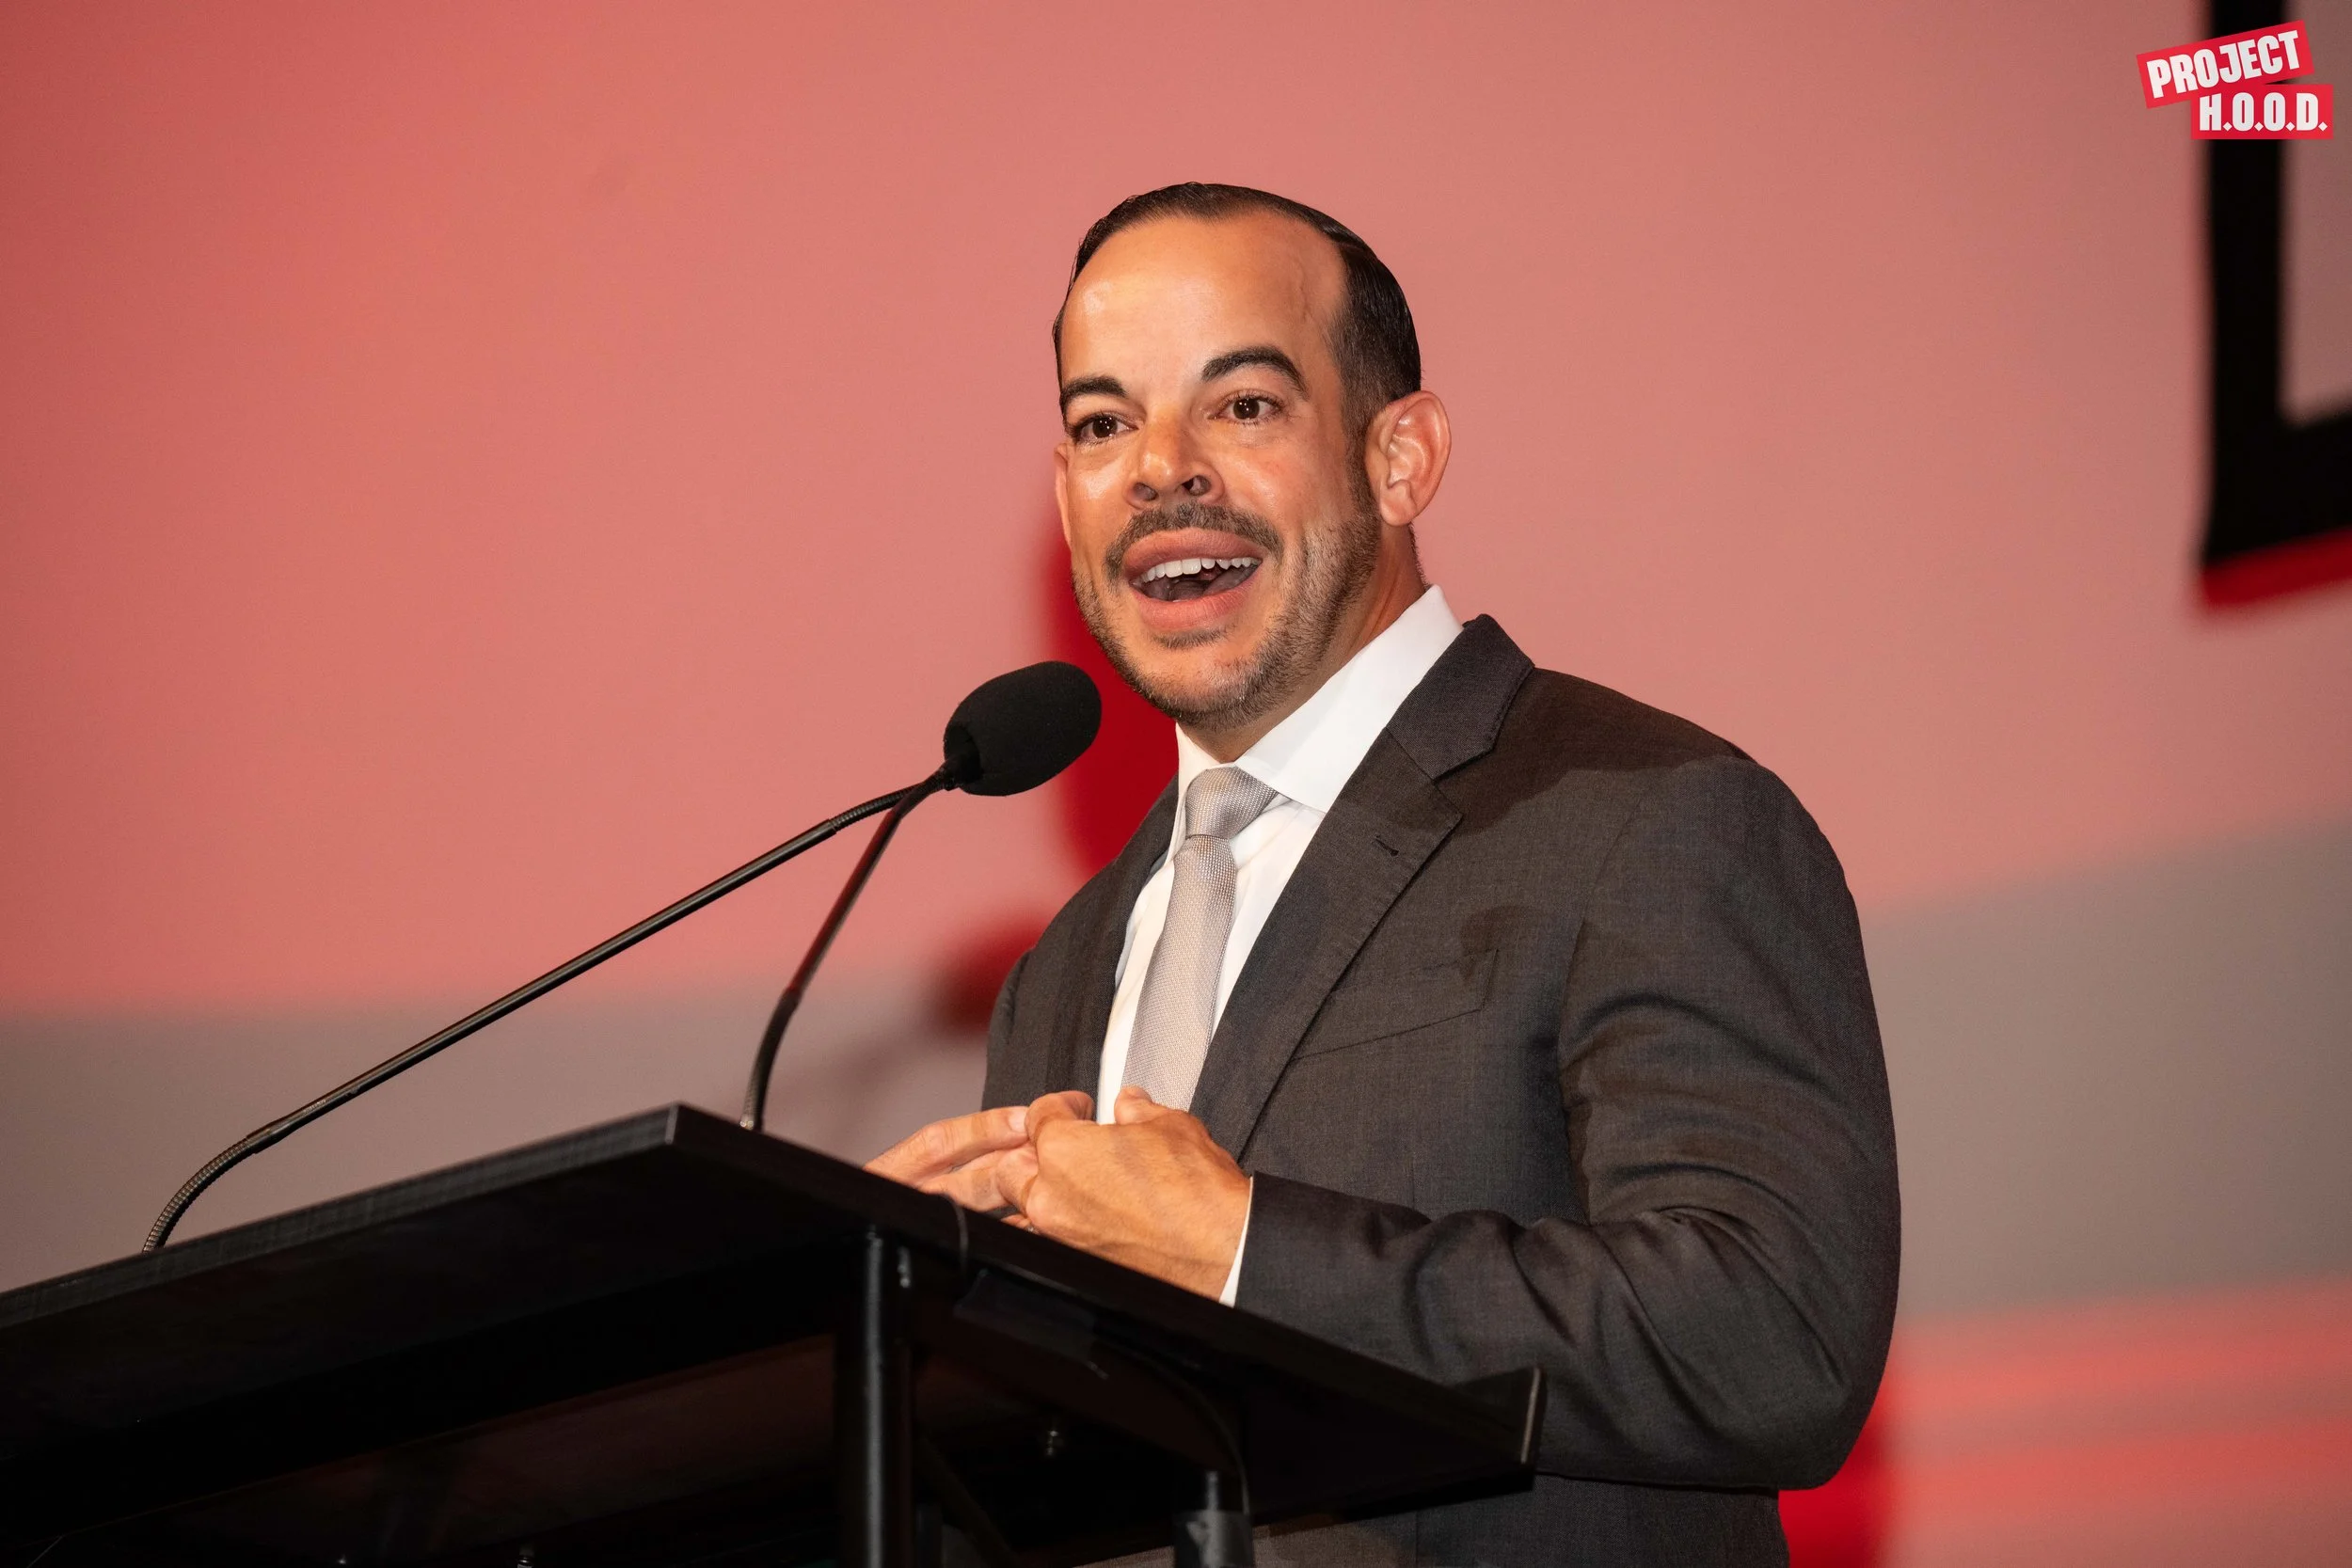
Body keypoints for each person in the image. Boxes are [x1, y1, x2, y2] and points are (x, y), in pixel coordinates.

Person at [870, 183, 1899, 1567]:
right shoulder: (1066, 967)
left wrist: (1247, 1253)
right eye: (1104, 424)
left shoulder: (1649, 820)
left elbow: (1775, 1336)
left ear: (1400, 457)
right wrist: (907, 1334)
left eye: (1243, 405)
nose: (1161, 468)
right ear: (1065, 498)